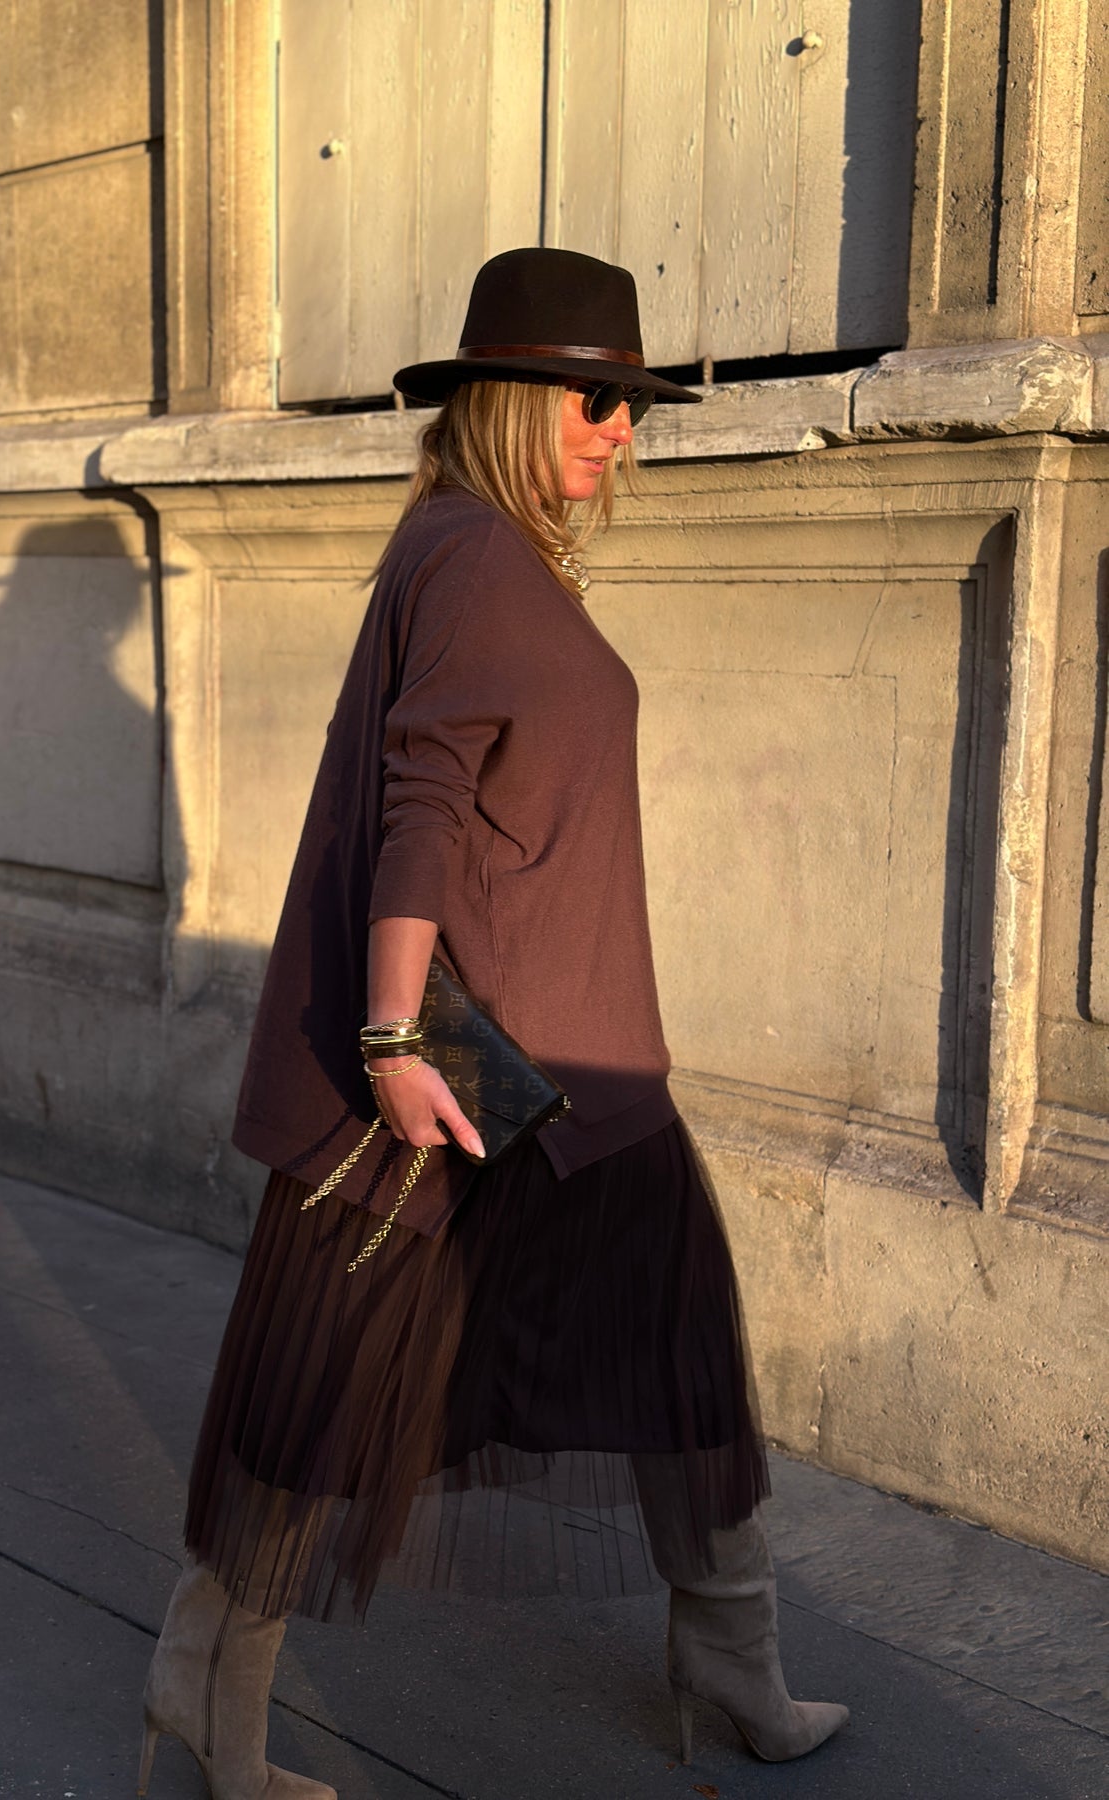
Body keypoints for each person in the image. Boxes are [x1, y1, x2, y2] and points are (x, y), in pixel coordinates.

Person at [136, 248, 849, 1799]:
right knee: (337, 1382)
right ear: (512, 399)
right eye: (598, 402)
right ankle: (209, 1692)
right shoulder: (470, 556)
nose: (621, 432)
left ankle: (730, 1666)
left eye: (632, 406)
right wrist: (395, 1045)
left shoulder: (476, 547)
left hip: (569, 1057)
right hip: (481, 1057)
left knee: (663, 1354)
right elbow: (423, 809)